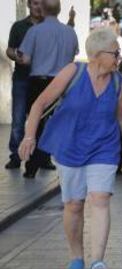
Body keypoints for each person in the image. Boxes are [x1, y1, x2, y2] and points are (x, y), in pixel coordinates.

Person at [18, 28, 122, 269]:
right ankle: (77, 256)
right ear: (97, 54)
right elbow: (39, 104)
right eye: (115, 53)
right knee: (74, 204)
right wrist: (29, 137)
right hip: (70, 146)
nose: (119, 57)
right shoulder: (72, 73)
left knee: (100, 199)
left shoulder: (117, 80)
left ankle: (97, 260)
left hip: (104, 148)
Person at [18, 0, 79, 178]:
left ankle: (32, 166)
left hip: (39, 82)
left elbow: (26, 59)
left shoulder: (34, 31)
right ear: (59, 10)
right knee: (59, 125)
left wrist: (18, 56)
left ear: (43, 10)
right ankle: (51, 161)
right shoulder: (70, 32)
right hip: (64, 82)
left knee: (37, 124)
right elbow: (74, 54)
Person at [4, 0, 42, 170]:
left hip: (43, 80)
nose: (38, 7)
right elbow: (10, 49)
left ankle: (42, 157)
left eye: (41, 3)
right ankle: (16, 156)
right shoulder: (19, 26)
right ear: (29, 5)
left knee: (43, 120)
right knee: (18, 119)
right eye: (35, 3)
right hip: (22, 78)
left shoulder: (48, 27)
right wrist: (16, 57)